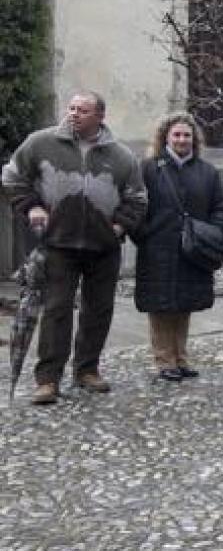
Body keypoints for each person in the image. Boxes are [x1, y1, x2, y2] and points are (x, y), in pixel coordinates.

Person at [1, 92, 146, 405]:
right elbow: (11, 176)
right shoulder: (41, 143)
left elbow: (138, 198)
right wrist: (31, 208)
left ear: (99, 117)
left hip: (103, 248)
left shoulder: (121, 157)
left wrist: (119, 226)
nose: (74, 114)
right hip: (58, 244)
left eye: (83, 110)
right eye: (72, 108)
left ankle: (87, 369)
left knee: (98, 310)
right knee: (56, 310)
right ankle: (48, 380)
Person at [131, 113, 223, 381]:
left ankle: (181, 357)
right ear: (166, 137)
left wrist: (212, 233)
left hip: (193, 250)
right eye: (176, 134)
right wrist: (143, 234)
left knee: (184, 304)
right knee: (160, 306)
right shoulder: (149, 169)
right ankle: (164, 360)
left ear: (193, 139)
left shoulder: (207, 172)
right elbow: (135, 206)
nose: (181, 139)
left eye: (186, 135)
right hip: (158, 249)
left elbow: (220, 208)